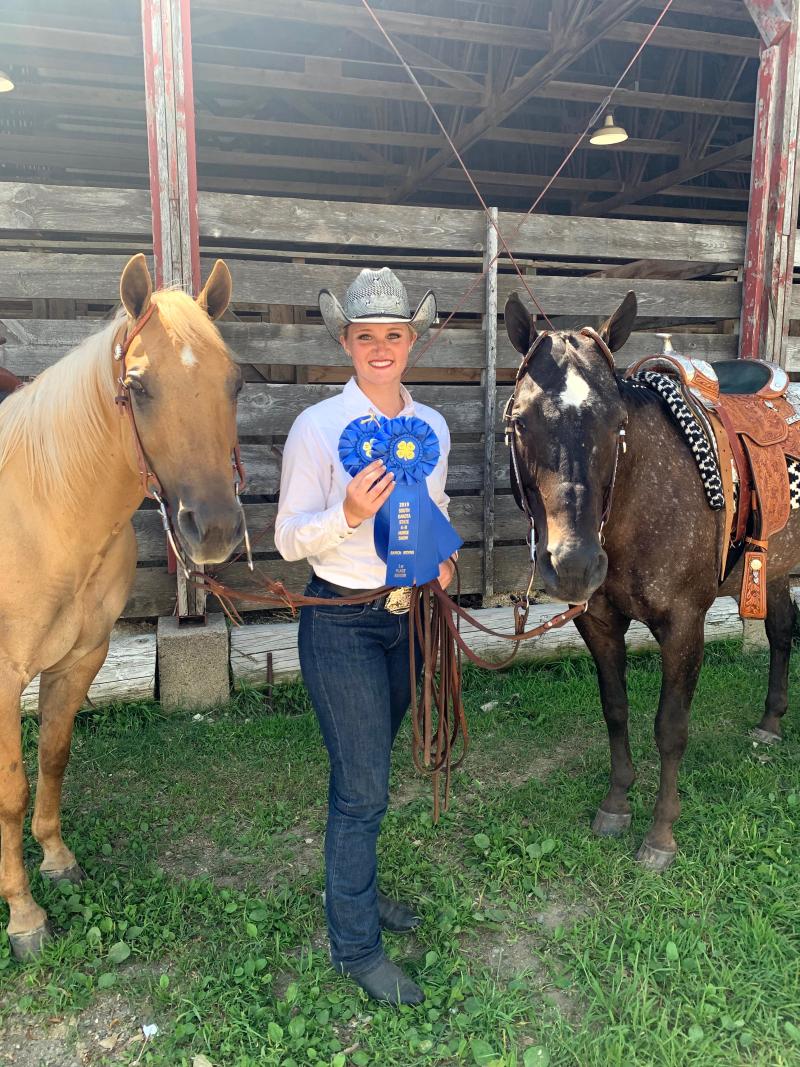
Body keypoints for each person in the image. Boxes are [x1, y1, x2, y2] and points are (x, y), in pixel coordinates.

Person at [274, 268, 458, 1006]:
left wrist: (445, 558)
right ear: (346, 343)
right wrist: (347, 512)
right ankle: (355, 944)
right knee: (363, 791)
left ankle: (355, 892)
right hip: (340, 622)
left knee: (364, 776)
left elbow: (433, 512)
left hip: (407, 618)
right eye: (365, 336)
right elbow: (289, 539)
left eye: (393, 334)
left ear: (410, 341)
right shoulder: (317, 428)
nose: (380, 348)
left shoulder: (434, 428)